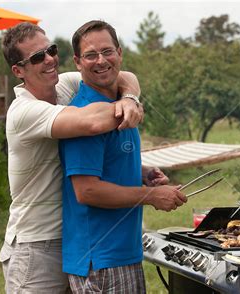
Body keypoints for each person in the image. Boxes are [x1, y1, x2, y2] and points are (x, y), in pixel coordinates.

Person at [0, 22, 144, 293]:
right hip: (36, 246)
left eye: (50, 50)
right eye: (38, 57)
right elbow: (92, 122)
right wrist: (125, 106)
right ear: (19, 71)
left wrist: (131, 97)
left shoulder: (62, 85)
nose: (50, 59)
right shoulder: (24, 112)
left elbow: (122, 75)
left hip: (72, 239)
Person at [59, 20, 188, 293]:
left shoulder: (120, 105)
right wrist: (151, 196)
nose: (101, 60)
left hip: (119, 252)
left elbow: (105, 161)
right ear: (77, 62)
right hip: (102, 258)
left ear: (120, 52)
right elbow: (87, 191)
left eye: (107, 51)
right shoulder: (85, 116)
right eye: (91, 55)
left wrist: (140, 172)